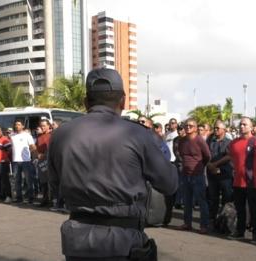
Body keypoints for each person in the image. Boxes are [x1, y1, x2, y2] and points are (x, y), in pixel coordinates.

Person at [48, 68, 178, 261]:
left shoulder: (60, 135)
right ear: (123, 101)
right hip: (123, 243)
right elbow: (169, 183)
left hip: (78, 242)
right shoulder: (138, 134)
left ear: (86, 102)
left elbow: (54, 186)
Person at [229, 117, 256, 242]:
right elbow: (232, 160)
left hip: (253, 183)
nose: (242, 126)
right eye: (240, 124)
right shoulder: (233, 143)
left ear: (251, 127)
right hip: (237, 182)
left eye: (245, 124)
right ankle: (240, 232)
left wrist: (255, 172)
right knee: (240, 210)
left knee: (254, 210)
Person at [178, 118, 211, 234]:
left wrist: (200, 167)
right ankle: (187, 223)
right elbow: (182, 155)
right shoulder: (182, 141)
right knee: (186, 201)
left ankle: (204, 225)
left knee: (201, 201)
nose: (187, 127)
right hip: (185, 175)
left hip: (197, 175)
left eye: (191, 126)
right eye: (186, 125)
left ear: (196, 128)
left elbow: (207, 156)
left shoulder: (200, 140)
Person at [206, 121, 233, 227]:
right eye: (214, 128)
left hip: (224, 174)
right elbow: (206, 153)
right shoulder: (210, 141)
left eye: (218, 128)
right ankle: (212, 218)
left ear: (224, 130)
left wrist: (215, 165)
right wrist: (209, 164)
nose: (215, 130)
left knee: (227, 198)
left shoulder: (229, 142)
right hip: (211, 173)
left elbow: (229, 156)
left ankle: (225, 219)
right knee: (213, 197)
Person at [10, 120, 36, 203]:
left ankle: (31, 197)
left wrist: (33, 156)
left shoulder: (27, 135)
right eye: (16, 124)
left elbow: (32, 146)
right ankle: (19, 197)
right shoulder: (12, 135)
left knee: (28, 180)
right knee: (17, 180)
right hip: (15, 161)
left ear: (23, 126)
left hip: (26, 161)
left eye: (19, 124)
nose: (17, 126)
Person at [36, 119, 52, 207]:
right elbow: (36, 149)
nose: (42, 127)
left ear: (49, 126)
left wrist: (44, 155)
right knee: (43, 182)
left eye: (44, 125)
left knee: (51, 181)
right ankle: (44, 199)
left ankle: (53, 200)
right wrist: (37, 154)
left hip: (50, 161)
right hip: (41, 162)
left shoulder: (52, 135)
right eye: (41, 126)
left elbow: (52, 148)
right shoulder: (39, 137)